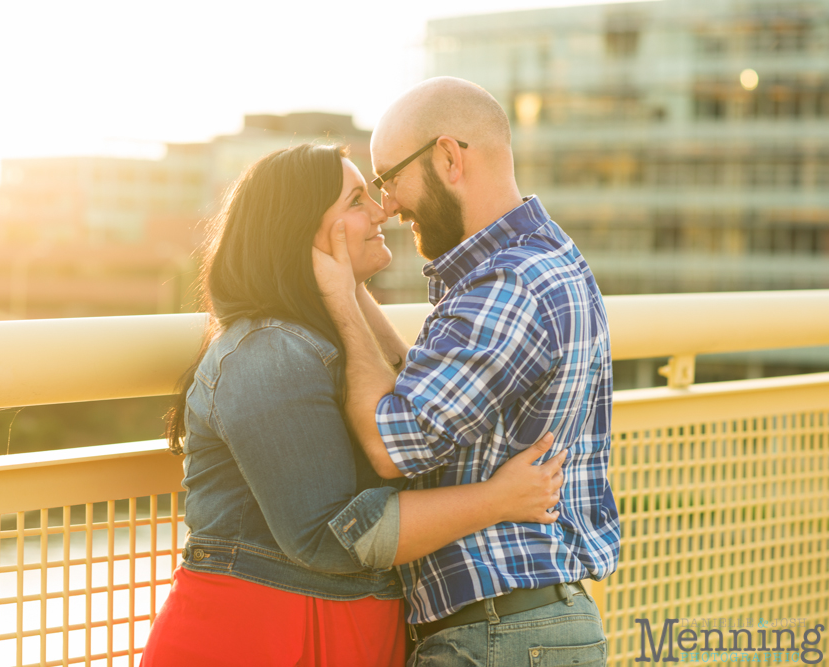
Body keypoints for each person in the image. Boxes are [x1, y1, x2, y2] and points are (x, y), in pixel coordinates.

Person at [139, 143, 569, 667]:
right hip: (261, 635)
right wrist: (497, 500)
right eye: (357, 200)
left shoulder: (328, 343)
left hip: (338, 628)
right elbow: (326, 538)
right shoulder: (270, 352)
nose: (383, 209)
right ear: (301, 229)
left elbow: (411, 417)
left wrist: (348, 292)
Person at [313, 77, 621, 666]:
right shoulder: (542, 261)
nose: (387, 206)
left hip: (498, 634)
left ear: (449, 157)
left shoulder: (508, 285)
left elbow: (392, 439)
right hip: (524, 626)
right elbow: (429, 388)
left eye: (389, 179)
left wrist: (338, 302)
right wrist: (355, 288)